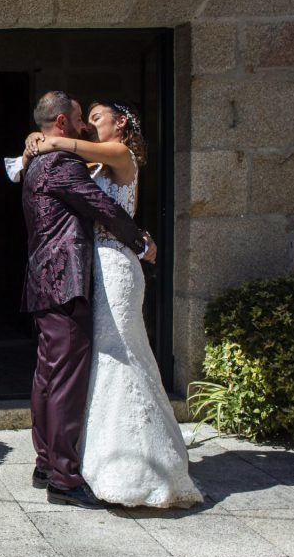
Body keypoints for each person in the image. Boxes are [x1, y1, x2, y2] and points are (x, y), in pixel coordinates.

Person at [24, 99, 203, 509]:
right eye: (84, 120)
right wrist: (40, 138)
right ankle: (68, 466)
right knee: (79, 369)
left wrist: (46, 139)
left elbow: (100, 200)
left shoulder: (117, 155)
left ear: (121, 124)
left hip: (113, 268)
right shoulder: (77, 163)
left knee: (115, 359)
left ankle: (71, 466)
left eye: (97, 118)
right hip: (82, 272)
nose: (89, 125)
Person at [19, 91, 155, 509]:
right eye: (80, 118)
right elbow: (101, 205)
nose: (83, 126)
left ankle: (46, 462)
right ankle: (62, 477)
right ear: (61, 122)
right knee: (63, 383)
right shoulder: (59, 163)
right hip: (65, 282)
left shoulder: (40, 160)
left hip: (46, 282)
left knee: (48, 377)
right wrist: (140, 240)